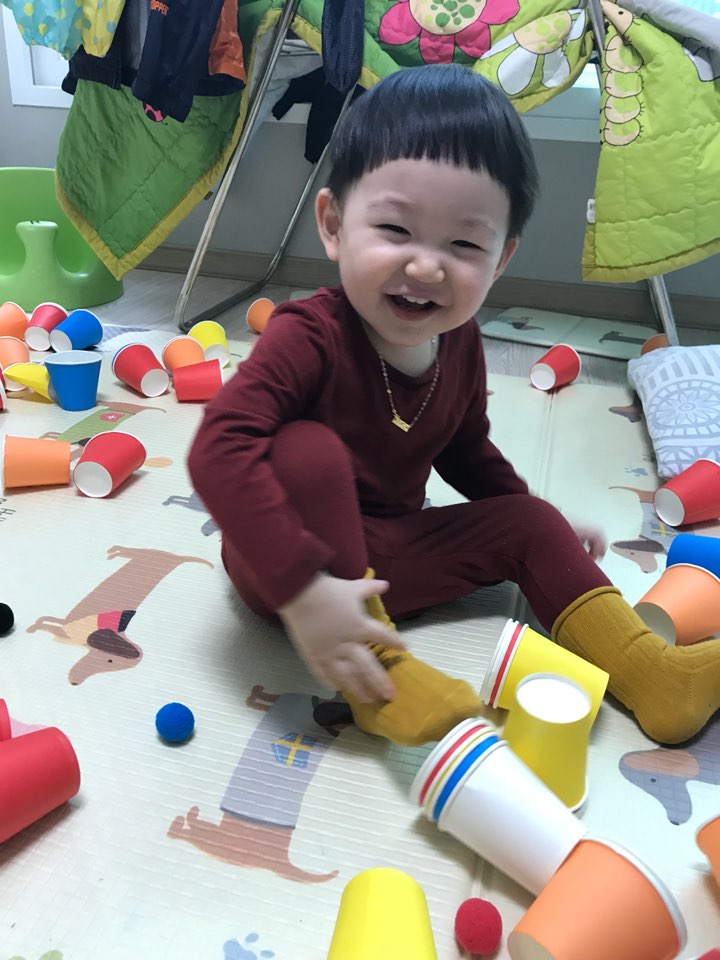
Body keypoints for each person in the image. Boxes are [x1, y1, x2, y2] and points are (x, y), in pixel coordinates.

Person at [189, 64, 719, 748]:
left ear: (501, 260)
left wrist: (544, 531)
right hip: (288, 567)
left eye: (464, 244)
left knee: (533, 517)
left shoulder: (460, 341)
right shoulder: (307, 335)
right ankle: (377, 676)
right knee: (305, 450)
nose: (426, 266)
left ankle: (656, 678)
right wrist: (303, 588)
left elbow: (467, 450)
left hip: (390, 554)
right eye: (395, 229)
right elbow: (218, 447)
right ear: (334, 225)